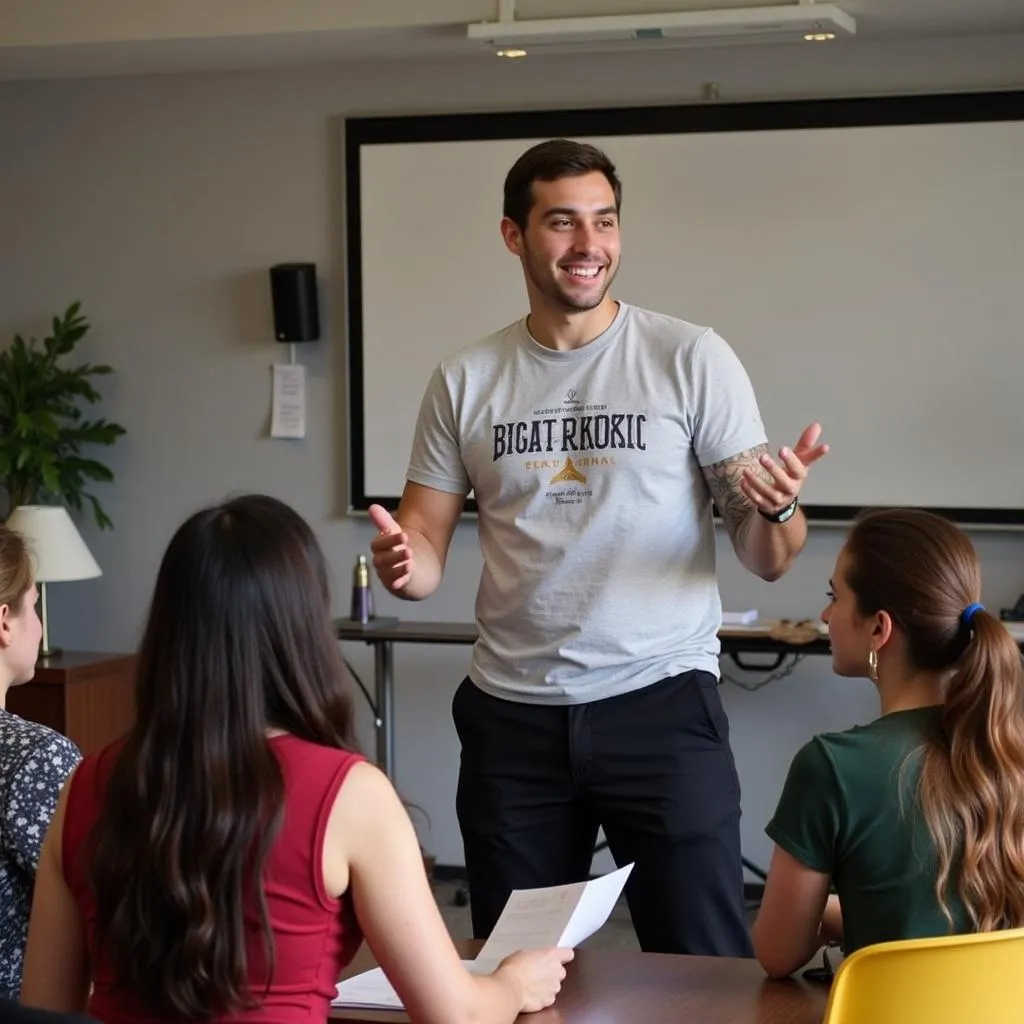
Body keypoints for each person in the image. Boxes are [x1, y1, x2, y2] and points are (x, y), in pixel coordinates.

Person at [369, 138, 828, 956]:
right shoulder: (466, 378)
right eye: (562, 223)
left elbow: (769, 554)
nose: (589, 245)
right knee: (519, 970)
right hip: (514, 718)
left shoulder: (689, 357)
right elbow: (427, 544)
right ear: (514, 235)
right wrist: (405, 566)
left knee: (700, 963)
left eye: (605, 222)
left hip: (661, 703)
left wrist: (780, 502)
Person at [20, 495, 571, 1023]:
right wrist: (516, 982)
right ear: (301, 626)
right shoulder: (350, 793)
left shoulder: (85, 786)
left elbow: (43, 1011)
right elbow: (459, 1014)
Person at [752, 508, 1024, 978]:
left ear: (880, 628)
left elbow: (777, 952)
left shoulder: (832, 766)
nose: (824, 614)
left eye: (834, 596)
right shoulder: (1007, 748)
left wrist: (835, 914)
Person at [0, 525, 81, 1000]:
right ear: (5, 622)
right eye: (34, 605)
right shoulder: (33, 757)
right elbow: (104, 902)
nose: (41, 625)